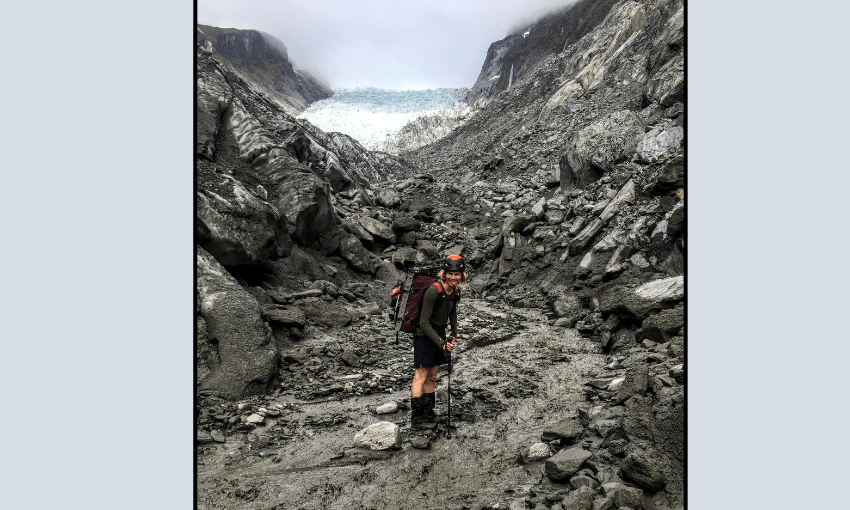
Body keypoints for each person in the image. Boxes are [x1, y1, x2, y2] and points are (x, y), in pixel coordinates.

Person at [410, 254, 466, 422]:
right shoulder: (433, 291)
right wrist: (442, 343)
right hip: (423, 335)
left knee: (433, 375)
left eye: (457, 274)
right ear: (444, 273)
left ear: (462, 276)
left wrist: (454, 333)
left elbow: (452, 312)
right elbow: (424, 322)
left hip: (440, 335)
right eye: (451, 273)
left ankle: (428, 411)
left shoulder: (455, 291)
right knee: (421, 375)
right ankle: (417, 416)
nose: (454, 277)